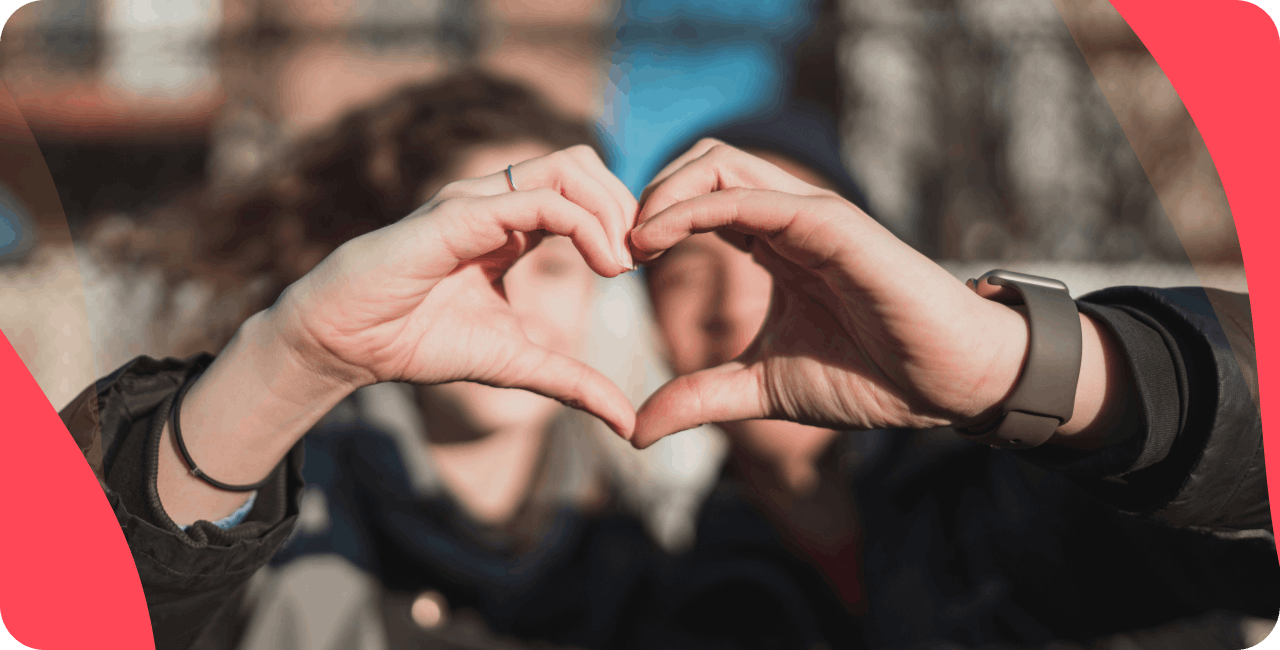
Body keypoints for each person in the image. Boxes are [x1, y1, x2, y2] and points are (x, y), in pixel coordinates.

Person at [66, 72, 852, 650]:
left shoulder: (650, 574)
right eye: (476, 255)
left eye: (554, 262)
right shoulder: (266, 526)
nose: (508, 298)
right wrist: (294, 357)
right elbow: (70, 600)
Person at [633, 138, 1277, 648]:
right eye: (685, 270)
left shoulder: (1046, 480)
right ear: (655, 325)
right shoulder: (680, 596)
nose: (735, 307)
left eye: (777, 252)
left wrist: (1016, 363)